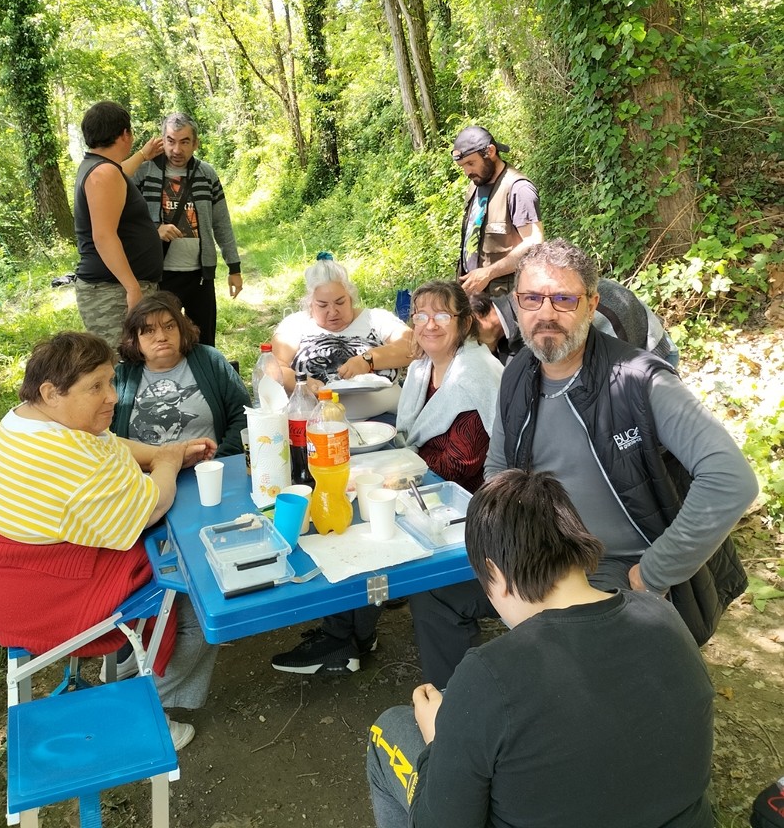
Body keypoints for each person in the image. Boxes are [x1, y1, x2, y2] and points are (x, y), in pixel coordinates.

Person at [411, 239, 758, 689]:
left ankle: (566, 737)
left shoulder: (637, 381)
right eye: (532, 298)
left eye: (564, 298)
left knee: (564, 659)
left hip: (616, 567)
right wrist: (502, 546)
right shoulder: (518, 372)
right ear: (516, 304)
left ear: (591, 303)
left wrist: (653, 573)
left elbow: (731, 480)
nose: (546, 313)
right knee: (435, 591)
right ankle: (459, 719)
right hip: (540, 551)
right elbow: (498, 467)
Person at [367, 470, 715, 828]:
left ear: (494, 572)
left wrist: (436, 742)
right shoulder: (663, 616)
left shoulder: (489, 673)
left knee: (389, 728)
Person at [0, 332, 220, 750]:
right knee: (200, 592)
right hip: (38, 592)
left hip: (7, 567)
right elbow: (152, 505)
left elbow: (109, 445)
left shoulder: (31, 418)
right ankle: (151, 709)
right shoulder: (60, 456)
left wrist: (168, 452)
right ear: (52, 392)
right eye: (96, 387)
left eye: (110, 382)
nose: (113, 397)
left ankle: (128, 667)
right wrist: (167, 459)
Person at [271, 281, 503, 676]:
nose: (429, 325)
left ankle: (345, 637)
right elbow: (412, 438)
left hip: (468, 509)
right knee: (345, 501)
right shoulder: (425, 367)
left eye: (441, 315)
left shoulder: (475, 375)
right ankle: (349, 635)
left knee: (358, 514)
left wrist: (386, 473)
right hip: (427, 487)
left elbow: (463, 464)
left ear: (463, 323)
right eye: (422, 315)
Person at [131, 112, 243, 346]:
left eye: (184, 142)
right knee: (163, 343)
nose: (177, 150)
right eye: (171, 141)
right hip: (161, 275)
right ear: (162, 140)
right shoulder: (144, 171)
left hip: (200, 276)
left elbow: (221, 222)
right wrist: (155, 231)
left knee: (203, 342)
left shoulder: (206, 174)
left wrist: (234, 267)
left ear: (195, 143)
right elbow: (125, 219)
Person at [271, 253, 414, 416]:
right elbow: (272, 367)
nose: (332, 312)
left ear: (351, 298)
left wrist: (368, 360)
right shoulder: (296, 324)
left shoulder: (375, 318)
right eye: (322, 305)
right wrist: (303, 383)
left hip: (383, 418)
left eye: (340, 302)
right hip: (315, 423)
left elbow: (412, 346)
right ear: (310, 303)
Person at [112, 291, 250, 455]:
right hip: (142, 475)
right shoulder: (122, 377)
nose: (162, 337)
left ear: (181, 329)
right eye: (149, 331)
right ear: (135, 340)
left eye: (169, 327)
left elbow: (243, 414)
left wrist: (222, 459)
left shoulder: (209, 360)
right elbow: (103, 434)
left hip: (207, 469)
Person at [74, 100, 163, 348]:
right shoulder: (103, 174)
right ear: (125, 134)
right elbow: (103, 236)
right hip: (112, 293)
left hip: (113, 289)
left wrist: (144, 155)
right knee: (123, 361)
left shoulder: (101, 168)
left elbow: (119, 172)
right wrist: (132, 288)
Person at [469, 276, 680, 367]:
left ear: (478, 317)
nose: (472, 347)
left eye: (471, 340)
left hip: (650, 353)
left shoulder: (535, 319)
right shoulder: (506, 336)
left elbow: (624, 366)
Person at [453, 125, 543, 297]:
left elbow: (534, 243)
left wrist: (489, 273)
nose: (467, 172)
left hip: (506, 299)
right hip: (476, 295)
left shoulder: (518, 189)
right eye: (462, 166)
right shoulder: (476, 184)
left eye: (471, 163)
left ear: (491, 152)